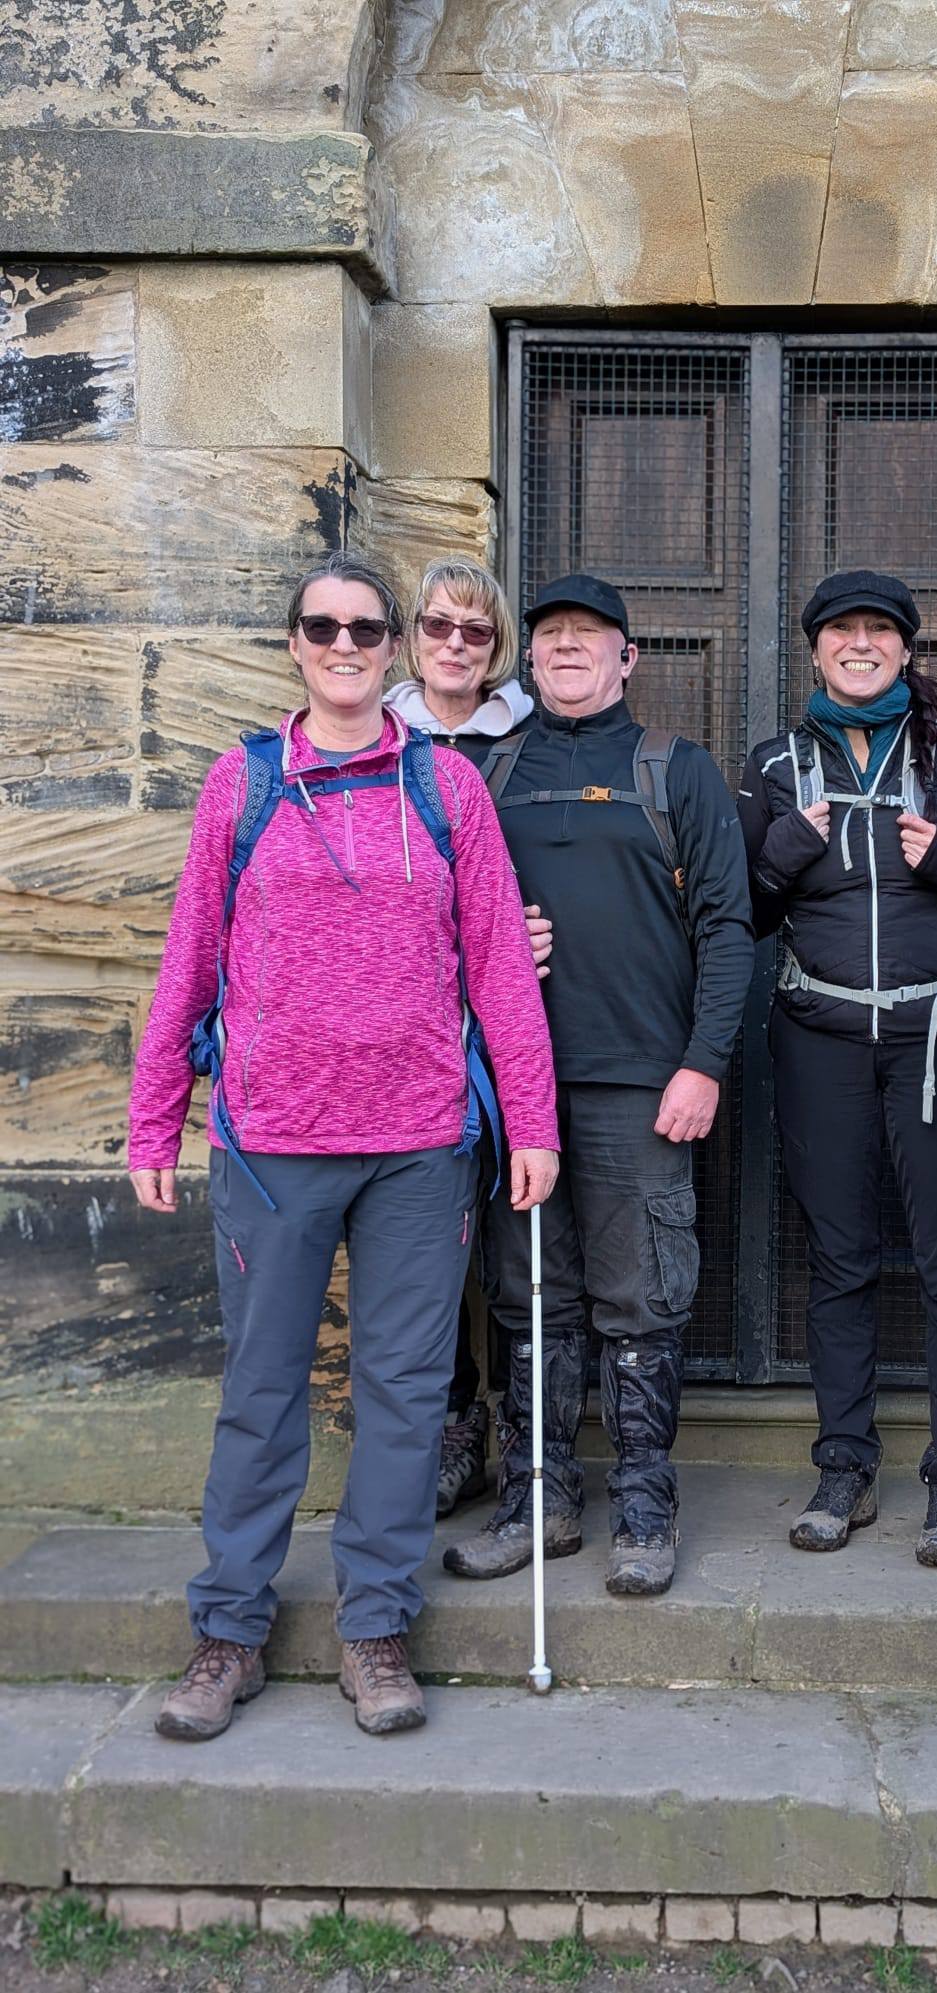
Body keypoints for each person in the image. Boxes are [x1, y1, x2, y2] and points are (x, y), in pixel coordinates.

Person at [128, 552, 559, 1743]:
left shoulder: (448, 792)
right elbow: (189, 960)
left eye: (366, 628)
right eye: (323, 626)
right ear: (295, 644)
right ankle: (229, 1634)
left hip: (420, 1144)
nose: (345, 644)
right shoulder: (243, 786)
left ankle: (375, 1628)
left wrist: (533, 1123)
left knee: (405, 1396)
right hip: (272, 1142)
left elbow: (499, 975)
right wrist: (154, 1113)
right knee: (262, 1394)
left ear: (392, 649)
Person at [442, 572, 754, 1598]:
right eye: (550, 636)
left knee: (644, 1298)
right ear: (525, 661)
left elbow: (727, 929)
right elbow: (433, 918)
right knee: (532, 1300)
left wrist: (703, 1063)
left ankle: (646, 1506)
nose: (568, 647)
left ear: (628, 659)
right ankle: (542, 1503)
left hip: (641, 1086)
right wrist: (489, 941)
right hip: (515, 1088)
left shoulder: (676, 771)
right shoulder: (485, 773)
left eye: (591, 635)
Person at [738, 570, 937, 1566]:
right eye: (841, 631)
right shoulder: (776, 762)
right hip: (817, 1034)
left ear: (906, 651)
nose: (859, 644)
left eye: (880, 631)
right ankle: (845, 1469)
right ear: (815, 650)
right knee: (839, 1260)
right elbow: (741, 913)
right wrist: (776, 858)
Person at [383, 556, 553, 1520]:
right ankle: (453, 1420)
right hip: (404, 1035)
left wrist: (541, 923)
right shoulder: (371, 729)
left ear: (497, 651)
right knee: (420, 1245)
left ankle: (530, 1435)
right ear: (411, 635)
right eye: (439, 626)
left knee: (512, 1235)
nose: (455, 645)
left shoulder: (529, 739)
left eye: (475, 633)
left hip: (516, 1019)